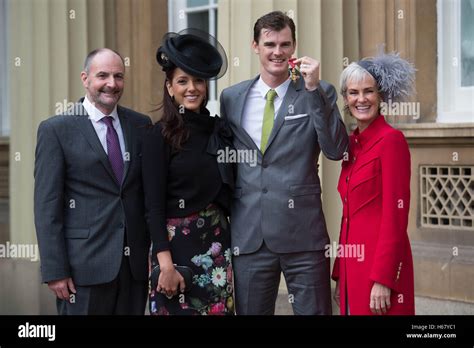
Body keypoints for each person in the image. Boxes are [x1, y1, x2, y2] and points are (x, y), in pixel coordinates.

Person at [219, 11, 349, 315]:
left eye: (285, 44)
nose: (278, 52)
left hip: (302, 234)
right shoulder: (231, 98)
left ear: (294, 47)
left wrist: (314, 91)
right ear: (255, 46)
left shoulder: (319, 91)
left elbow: (336, 149)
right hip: (249, 235)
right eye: (270, 44)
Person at [34, 48, 151, 315]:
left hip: (133, 270)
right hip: (81, 271)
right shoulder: (57, 129)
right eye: (103, 75)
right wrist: (55, 270)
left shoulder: (140, 125)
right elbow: (46, 206)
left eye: (118, 76)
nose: (112, 83)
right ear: (85, 78)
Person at [142, 29, 234, 315]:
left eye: (198, 81)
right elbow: (153, 207)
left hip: (218, 248)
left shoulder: (218, 130)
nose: (191, 88)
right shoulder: (158, 136)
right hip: (174, 252)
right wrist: (165, 265)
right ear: (170, 87)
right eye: (182, 81)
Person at [332, 53, 416, 315]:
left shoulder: (392, 141)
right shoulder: (352, 145)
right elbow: (348, 216)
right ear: (346, 99)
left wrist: (383, 279)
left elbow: (396, 216)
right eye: (353, 92)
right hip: (351, 270)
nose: (361, 99)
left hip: (378, 272)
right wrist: (339, 272)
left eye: (369, 91)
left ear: (381, 96)